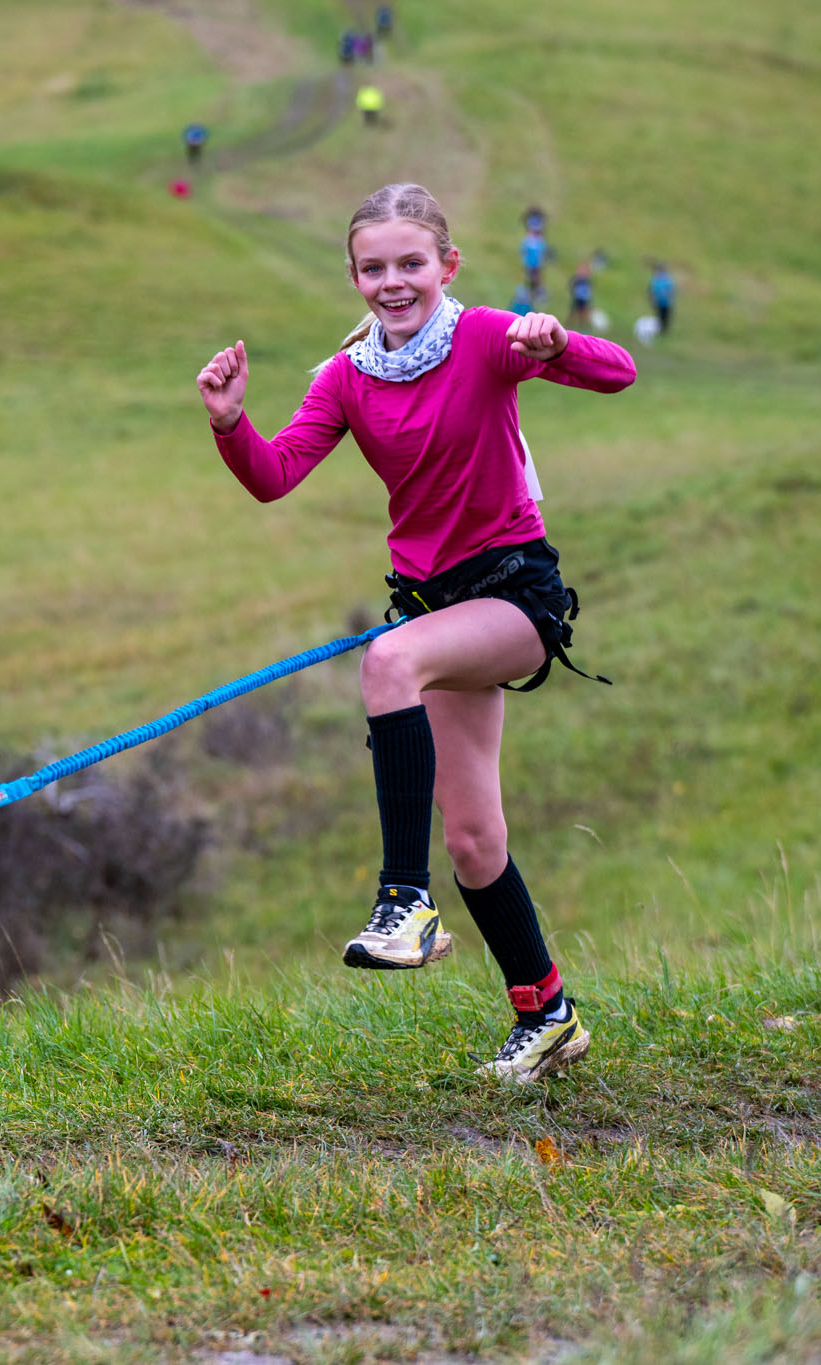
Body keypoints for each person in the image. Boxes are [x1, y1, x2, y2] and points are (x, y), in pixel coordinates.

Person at [193, 183, 636, 1083]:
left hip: (516, 598)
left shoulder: (485, 338)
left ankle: (404, 904)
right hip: (438, 611)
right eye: (373, 267)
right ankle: (546, 1012)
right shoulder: (346, 377)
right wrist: (231, 421)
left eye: (410, 264)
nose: (392, 282)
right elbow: (275, 476)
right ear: (353, 274)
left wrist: (557, 342)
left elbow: (617, 370)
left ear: (446, 266)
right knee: (475, 838)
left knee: (387, 659)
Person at [519, 228, 547, 297]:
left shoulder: (539, 242)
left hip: (536, 264)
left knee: (536, 278)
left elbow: (542, 253)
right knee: (529, 277)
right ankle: (531, 292)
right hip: (530, 263)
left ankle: (537, 291)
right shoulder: (529, 242)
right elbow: (524, 251)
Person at [649, 262, 675, 335]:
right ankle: (659, 330)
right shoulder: (657, 280)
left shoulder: (665, 280)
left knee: (665, 317)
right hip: (660, 302)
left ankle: (663, 331)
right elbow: (653, 291)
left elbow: (670, 291)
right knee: (660, 317)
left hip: (665, 303)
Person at [567, 262, 592, 329]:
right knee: (572, 311)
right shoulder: (577, 279)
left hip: (584, 298)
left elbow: (589, 290)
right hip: (577, 297)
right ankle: (569, 325)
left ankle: (582, 326)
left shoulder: (587, 280)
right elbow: (571, 285)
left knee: (582, 313)